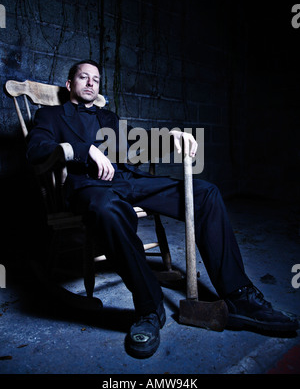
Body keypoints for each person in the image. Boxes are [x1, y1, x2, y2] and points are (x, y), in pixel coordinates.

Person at [27, 59, 299, 359]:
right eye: (83, 77)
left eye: (96, 79)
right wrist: (83, 149)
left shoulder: (109, 117)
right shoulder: (50, 115)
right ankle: (149, 307)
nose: (91, 83)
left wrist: (170, 137)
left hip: (129, 180)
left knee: (206, 193)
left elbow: (137, 147)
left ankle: (238, 295)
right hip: (90, 187)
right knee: (107, 210)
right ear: (70, 85)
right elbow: (35, 150)